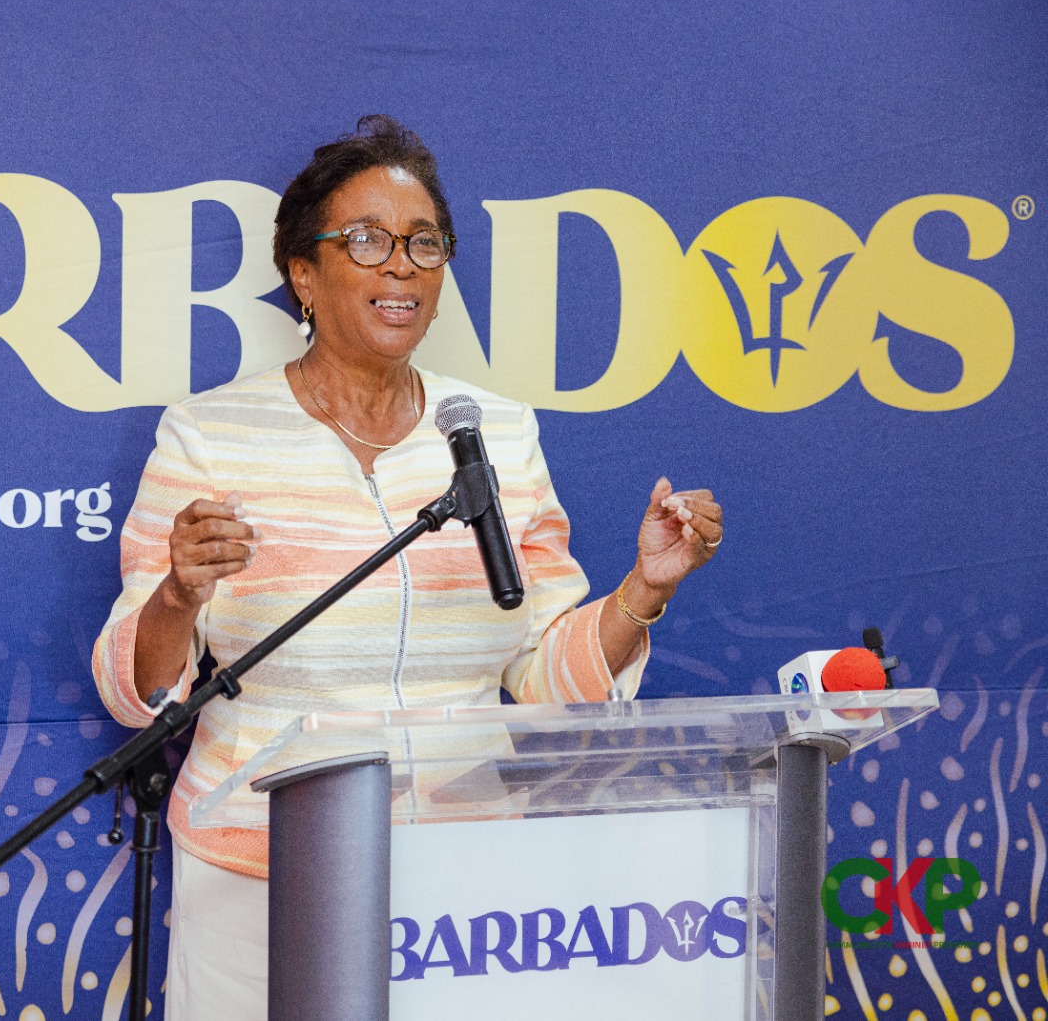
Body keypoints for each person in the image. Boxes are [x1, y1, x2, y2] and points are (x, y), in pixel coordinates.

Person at [91, 115, 723, 1020]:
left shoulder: (497, 434)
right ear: (303, 274)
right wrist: (177, 595)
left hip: (463, 881)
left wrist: (643, 591)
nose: (402, 266)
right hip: (256, 874)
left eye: (425, 243)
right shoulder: (211, 435)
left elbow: (547, 678)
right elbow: (136, 694)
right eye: (368, 240)